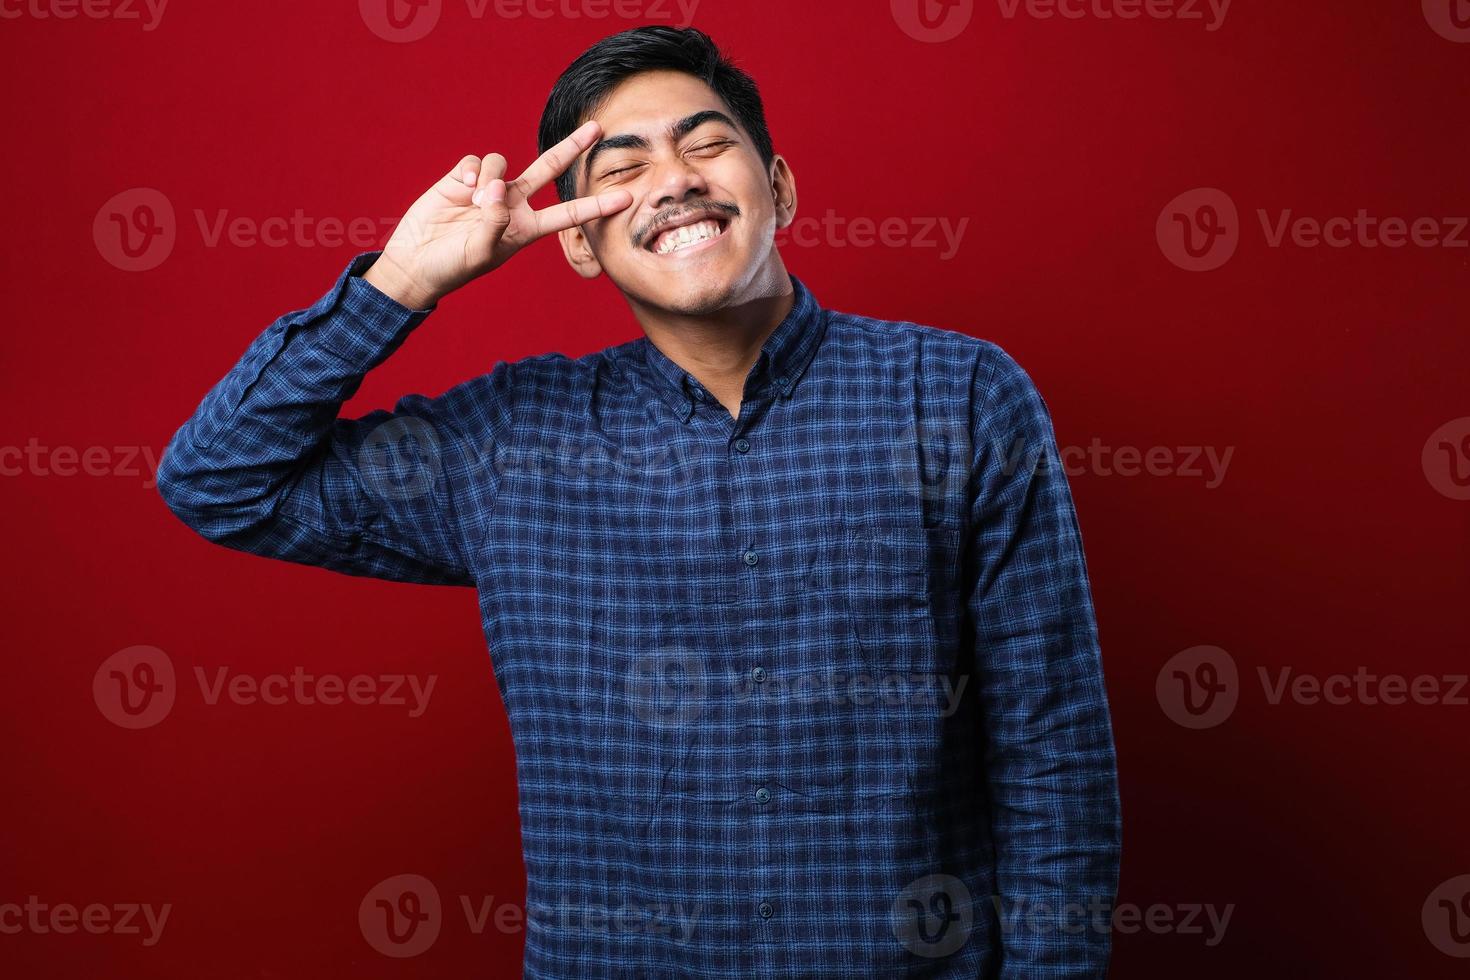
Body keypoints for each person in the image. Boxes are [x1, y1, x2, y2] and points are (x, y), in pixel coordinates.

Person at [157, 25, 1121, 978]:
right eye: (621, 170)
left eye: (705, 144)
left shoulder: (956, 397)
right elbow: (220, 479)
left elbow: (1052, 751)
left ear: (777, 187)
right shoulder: (506, 442)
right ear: (576, 243)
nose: (673, 182)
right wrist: (402, 282)